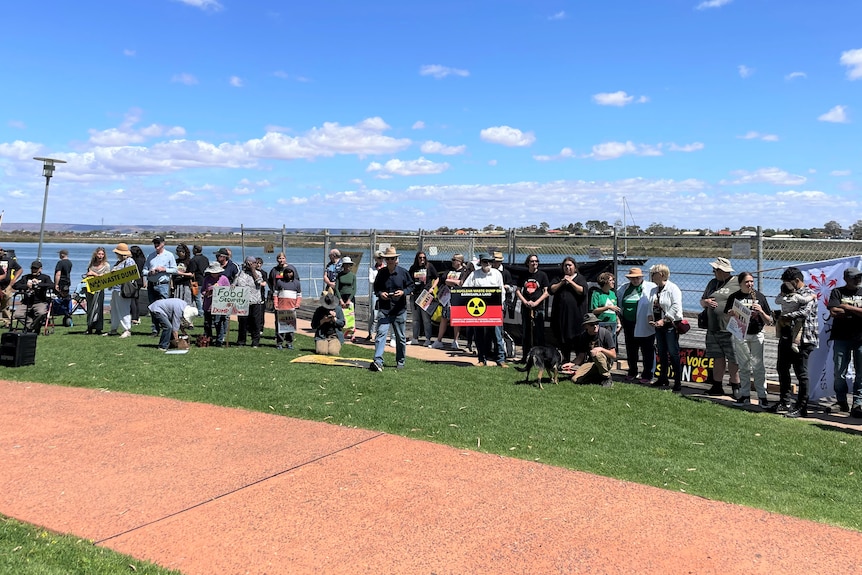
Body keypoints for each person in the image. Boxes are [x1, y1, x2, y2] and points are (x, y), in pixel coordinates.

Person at [768, 266, 819, 418]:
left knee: (801, 373)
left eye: (788, 283)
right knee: (782, 368)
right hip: (786, 335)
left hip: (803, 338)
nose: (786, 287)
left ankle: (802, 406)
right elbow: (780, 301)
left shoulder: (809, 294)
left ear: (797, 281)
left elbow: (804, 313)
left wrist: (785, 316)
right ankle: (785, 401)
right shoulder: (787, 293)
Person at [724, 271, 774, 407]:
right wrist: (731, 314)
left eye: (751, 281)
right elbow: (726, 317)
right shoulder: (734, 297)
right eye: (747, 281)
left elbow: (769, 320)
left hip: (757, 334)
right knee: (744, 365)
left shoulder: (760, 297)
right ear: (740, 283)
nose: (750, 284)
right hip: (741, 334)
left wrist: (761, 311)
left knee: (758, 366)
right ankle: (745, 395)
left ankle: (762, 396)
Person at [700, 257, 740, 397]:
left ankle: (736, 385)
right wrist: (706, 302)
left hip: (730, 329)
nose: (713, 272)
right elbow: (702, 300)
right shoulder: (712, 283)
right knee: (717, 357)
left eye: (715, 270)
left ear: (722, 271)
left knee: (734, 358)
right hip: (713, 327)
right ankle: (717, 385)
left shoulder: (737, 283)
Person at [370, 246, 413, 372]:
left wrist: (403, 292)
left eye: (392, 258)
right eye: (387, 259)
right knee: (381, 334)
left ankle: (400, 361)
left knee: (400, 337)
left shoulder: (403, 273)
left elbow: (411, 287)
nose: (390, 261)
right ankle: (378, 361)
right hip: (384, 309)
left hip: (399, 310)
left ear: (396, 260)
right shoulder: (381, 273)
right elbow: (376, 288)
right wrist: (381, 294)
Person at [827, 266, 862, 416]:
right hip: (841, 337)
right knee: (839, 371)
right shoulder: (837, 292)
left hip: (860, 338)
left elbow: (840, 309)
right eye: (854, 277)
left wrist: (846, 307)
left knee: (860, 373)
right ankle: (841, 402)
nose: (858, 280)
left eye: (859, 277)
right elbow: (834, 311)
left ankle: (858, 403)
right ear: (846, 279)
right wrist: (857, 312)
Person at [462, 253, 507, 367]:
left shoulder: (497, 274)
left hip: (494, 309)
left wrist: (501, 305)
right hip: (479, 310)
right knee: (479, 335)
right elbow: (465, 289)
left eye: (489, 262)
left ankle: (501, 360)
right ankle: (482, 359)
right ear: (480, 262)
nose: (487, 264)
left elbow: (502, 291)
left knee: (497, 335)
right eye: (485, 262)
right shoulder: (474, 275)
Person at [616, 267, 657, 383]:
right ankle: (632, 371)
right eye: (632, 278)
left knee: (647, 349)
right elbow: (618, 302)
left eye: (637, 278)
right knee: (631, 348)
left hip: (644, 323)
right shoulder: (624, 288)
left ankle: (648, 374)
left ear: (642, 277)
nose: (635, 280)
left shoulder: (650, 287)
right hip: (628, 323)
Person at [648, 264, 684, 392]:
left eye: (653, 273)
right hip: (658, 325)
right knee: (661, 352)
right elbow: (650, 304)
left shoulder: (673, 288)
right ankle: (663, 378)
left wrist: (664, 320)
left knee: (673, 352)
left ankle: (677, 382)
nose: (651, 276)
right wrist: (649, 317)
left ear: (661, 274)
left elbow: (675, 306)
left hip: (670, 325)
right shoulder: (654, 289)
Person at [550, 257, 589, 362]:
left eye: (570, 265)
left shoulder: (580, 278)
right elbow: (551, 289)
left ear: (575, 267)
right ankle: (565, 362)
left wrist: (571, 282)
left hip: (576, 318)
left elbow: (583, 291)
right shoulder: (559, 278)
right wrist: (562, 282)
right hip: (561, 317)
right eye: (565, 265)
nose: (567, 267)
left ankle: (579, 363)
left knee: (578, 341)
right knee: (563, 341)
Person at [431, 253, 469, 350]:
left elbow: (462, 283)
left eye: (454, 260)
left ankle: (455, 341)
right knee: (444, 318)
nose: (452, 262)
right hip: (447, 297)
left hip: (458, 297)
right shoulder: (449, 270)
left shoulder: (464, 271)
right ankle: (439, 340)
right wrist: (455, 282)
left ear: (459, 262)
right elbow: (444, 279)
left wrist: (453, 282)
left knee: (456, 319)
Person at [517, 254, 550, 362]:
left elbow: (546, 292)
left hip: (538, 308)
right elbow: (518, 291)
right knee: (526, 332)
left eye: (536, 261)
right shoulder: (523, 275)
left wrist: (536, 303)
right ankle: (525, 356)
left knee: (539, 332)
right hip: (526, 308)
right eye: (532, 261)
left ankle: (541, 357)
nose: (534, 263)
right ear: (528, 263)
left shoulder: (542, 275)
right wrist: (525, 302)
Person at [569, 313, 617, 387]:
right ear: (586, 326)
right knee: (575, 379)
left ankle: (607, 377)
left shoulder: (605, 333)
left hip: (606, 361)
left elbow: (613, 355)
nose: (595, 326)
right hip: (592, 363)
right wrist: (571, 364)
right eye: (592, 324)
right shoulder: (584, 336)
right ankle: (597, 377)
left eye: (596, 323)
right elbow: (581, 357)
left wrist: (601, 349)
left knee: (597, 354)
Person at [144, 236, 178, 336]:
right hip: (151, 284)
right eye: (155, 243)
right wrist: (149, 272)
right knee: (153, 308)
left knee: (164, 308)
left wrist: (164, 270)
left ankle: (167, 328)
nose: (156, 245)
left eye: (158, 243)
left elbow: (175, 270)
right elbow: (143, 270)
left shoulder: (169, 255)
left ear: (163, 243)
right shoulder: (150, 256)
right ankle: (155, 329)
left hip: (162, 285)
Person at [105, 243, 137, 338]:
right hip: (115, 288)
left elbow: (131, 275)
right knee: (114, 309)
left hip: (123, 289)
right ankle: (113, 329)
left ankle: (127, 329)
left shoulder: (129, 261)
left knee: (124, 309)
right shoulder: (118, 262)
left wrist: (117, 273)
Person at [11, 261, 52, 333]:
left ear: (40, 269)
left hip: (39, 301)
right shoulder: (26, 277)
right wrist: (26, 286)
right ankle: (32, 326)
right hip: (26, 302)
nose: (34, 270)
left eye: (36, 268)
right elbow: (15, 286)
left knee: (41, 313)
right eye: (32, 268)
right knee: (17, 314)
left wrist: (38, 284)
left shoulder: (45, 277)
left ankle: (32, 327)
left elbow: (51, 285)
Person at [234, 256, 266, 347]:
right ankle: (241, 341)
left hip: (255, 301)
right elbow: (234, 284)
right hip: (243, 302)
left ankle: (255, 341)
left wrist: (253, 270)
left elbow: (259, 282)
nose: (251, 265)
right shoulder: (240, 274)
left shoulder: (258, 273)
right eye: (249, 263)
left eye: (253, 263)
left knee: (256, 322)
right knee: (242, 322)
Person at [408, 251, 438, 346]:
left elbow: (437, 277)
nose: (422, 259)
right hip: (415, 295)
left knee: (426, 319)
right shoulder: (413, 268)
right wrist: (410, 290)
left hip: (425, 295)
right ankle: (415, 338)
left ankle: (428, 339)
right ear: (417, 258)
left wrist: (432, 288)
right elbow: (409, 280)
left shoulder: (429, 267)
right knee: (416, 319)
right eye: (420, 258)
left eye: (424, 257)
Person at [775, 283, 812, 354]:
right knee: (798, 329)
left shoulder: (782, 298)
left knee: (778, 322)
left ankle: (778, 334)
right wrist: (812, 296)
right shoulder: (796, 296)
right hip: (793, 317)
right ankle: (795, 343)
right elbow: (805, 300)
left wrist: (780, 294)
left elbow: (776, 301)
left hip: (784, 316)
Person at [273, 264, 301, 350]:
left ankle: (289, 342)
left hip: (291, 308)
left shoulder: (297, 283)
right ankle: (279, 343)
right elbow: (275, 294)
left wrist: (297, 304)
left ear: (293, 273)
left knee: (290, 327)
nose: (289, 274)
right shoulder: (279, 282)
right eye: (287, 272)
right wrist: (276, 304)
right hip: (281, 308)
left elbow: (299, 295)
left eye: (290, 272)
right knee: (280, 327)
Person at [84, 246, 110, 335]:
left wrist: (94, 274)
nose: (100, 256)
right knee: (90, 307)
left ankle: (99, 328)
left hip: (100, 289)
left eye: (102, 254)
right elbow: (88, 272)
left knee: (99, 308)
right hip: (90, 288)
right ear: (96, 254)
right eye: (99, 254)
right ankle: (89, 327)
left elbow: (106, 277)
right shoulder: (91, 263)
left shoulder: (106, 265)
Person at [202, 261, 229, 346]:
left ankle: (219, 340)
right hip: (208, 304)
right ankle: (208, 339)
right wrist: (208, 292)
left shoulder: (224, 279)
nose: (214, 274)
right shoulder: (207, 279)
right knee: (207, 323)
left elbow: (228, 291)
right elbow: (202, 290)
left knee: (218, 323)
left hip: (219, 305)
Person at [311, 291, 345, 355]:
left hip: (335, 336)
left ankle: (334, 344)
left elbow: (342, 323)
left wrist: (335, 320)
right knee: (322, 352)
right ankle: (322, 344)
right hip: (322, 336)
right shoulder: (319, 310)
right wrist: (323, 321)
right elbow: (313, 325)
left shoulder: (338, 309)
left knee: (333, 352)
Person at [591, 272, 620, 345]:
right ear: (605, 282)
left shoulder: (612, 294)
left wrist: (618, 323)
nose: (613, 282)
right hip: (601, 324)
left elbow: (615, 310)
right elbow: (594, 311)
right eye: (611, 280)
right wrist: (608, 307)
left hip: (612, 324)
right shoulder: (596, 294)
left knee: (611, 346)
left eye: (613, 280)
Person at [336, 256, 357, 343]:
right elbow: (336, 288)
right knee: (341, 315)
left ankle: (352, 334)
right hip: (341, 296)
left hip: (350, 297)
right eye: (345, 264)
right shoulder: (339, 275)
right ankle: (341, 333)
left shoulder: (353, 276)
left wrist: (349, 300)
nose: (347, 266)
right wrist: (340, 300)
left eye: (348, 264)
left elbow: (354, 289)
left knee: (351, 316)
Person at [0, 247, 22, 327]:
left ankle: (7, 322)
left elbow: (19, 269)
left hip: (7, 286)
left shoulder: (9, 260)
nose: (0, 251)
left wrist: (14, 280)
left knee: (5, 305)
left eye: (1, 250)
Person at [368, 250, 385, 341]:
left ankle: (379, 333)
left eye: (382, 258)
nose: (381, 260)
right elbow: (371, 280)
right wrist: (379, 276)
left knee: (382, 314)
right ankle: (371, 333)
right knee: (374, 314)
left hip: (384, 293)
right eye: (379, 258)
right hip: (375, 293)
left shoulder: (385, 268)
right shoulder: (372, 269)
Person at [189, 245, 209, 316]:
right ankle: (205, 310)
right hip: (206, 279)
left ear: (195, 250)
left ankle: (201, 312)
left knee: (197, 297)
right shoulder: (205, 258)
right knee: (204, 296)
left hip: (197, 280)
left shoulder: (193, 260)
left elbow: (191, 272)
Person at [129, 245, 146, 324]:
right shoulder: (143, 259)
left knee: (132, 299)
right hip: (140, 280)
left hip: (134, 280)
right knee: (136, 299)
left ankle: (134, 317)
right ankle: (137, 317)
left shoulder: (133, 260)